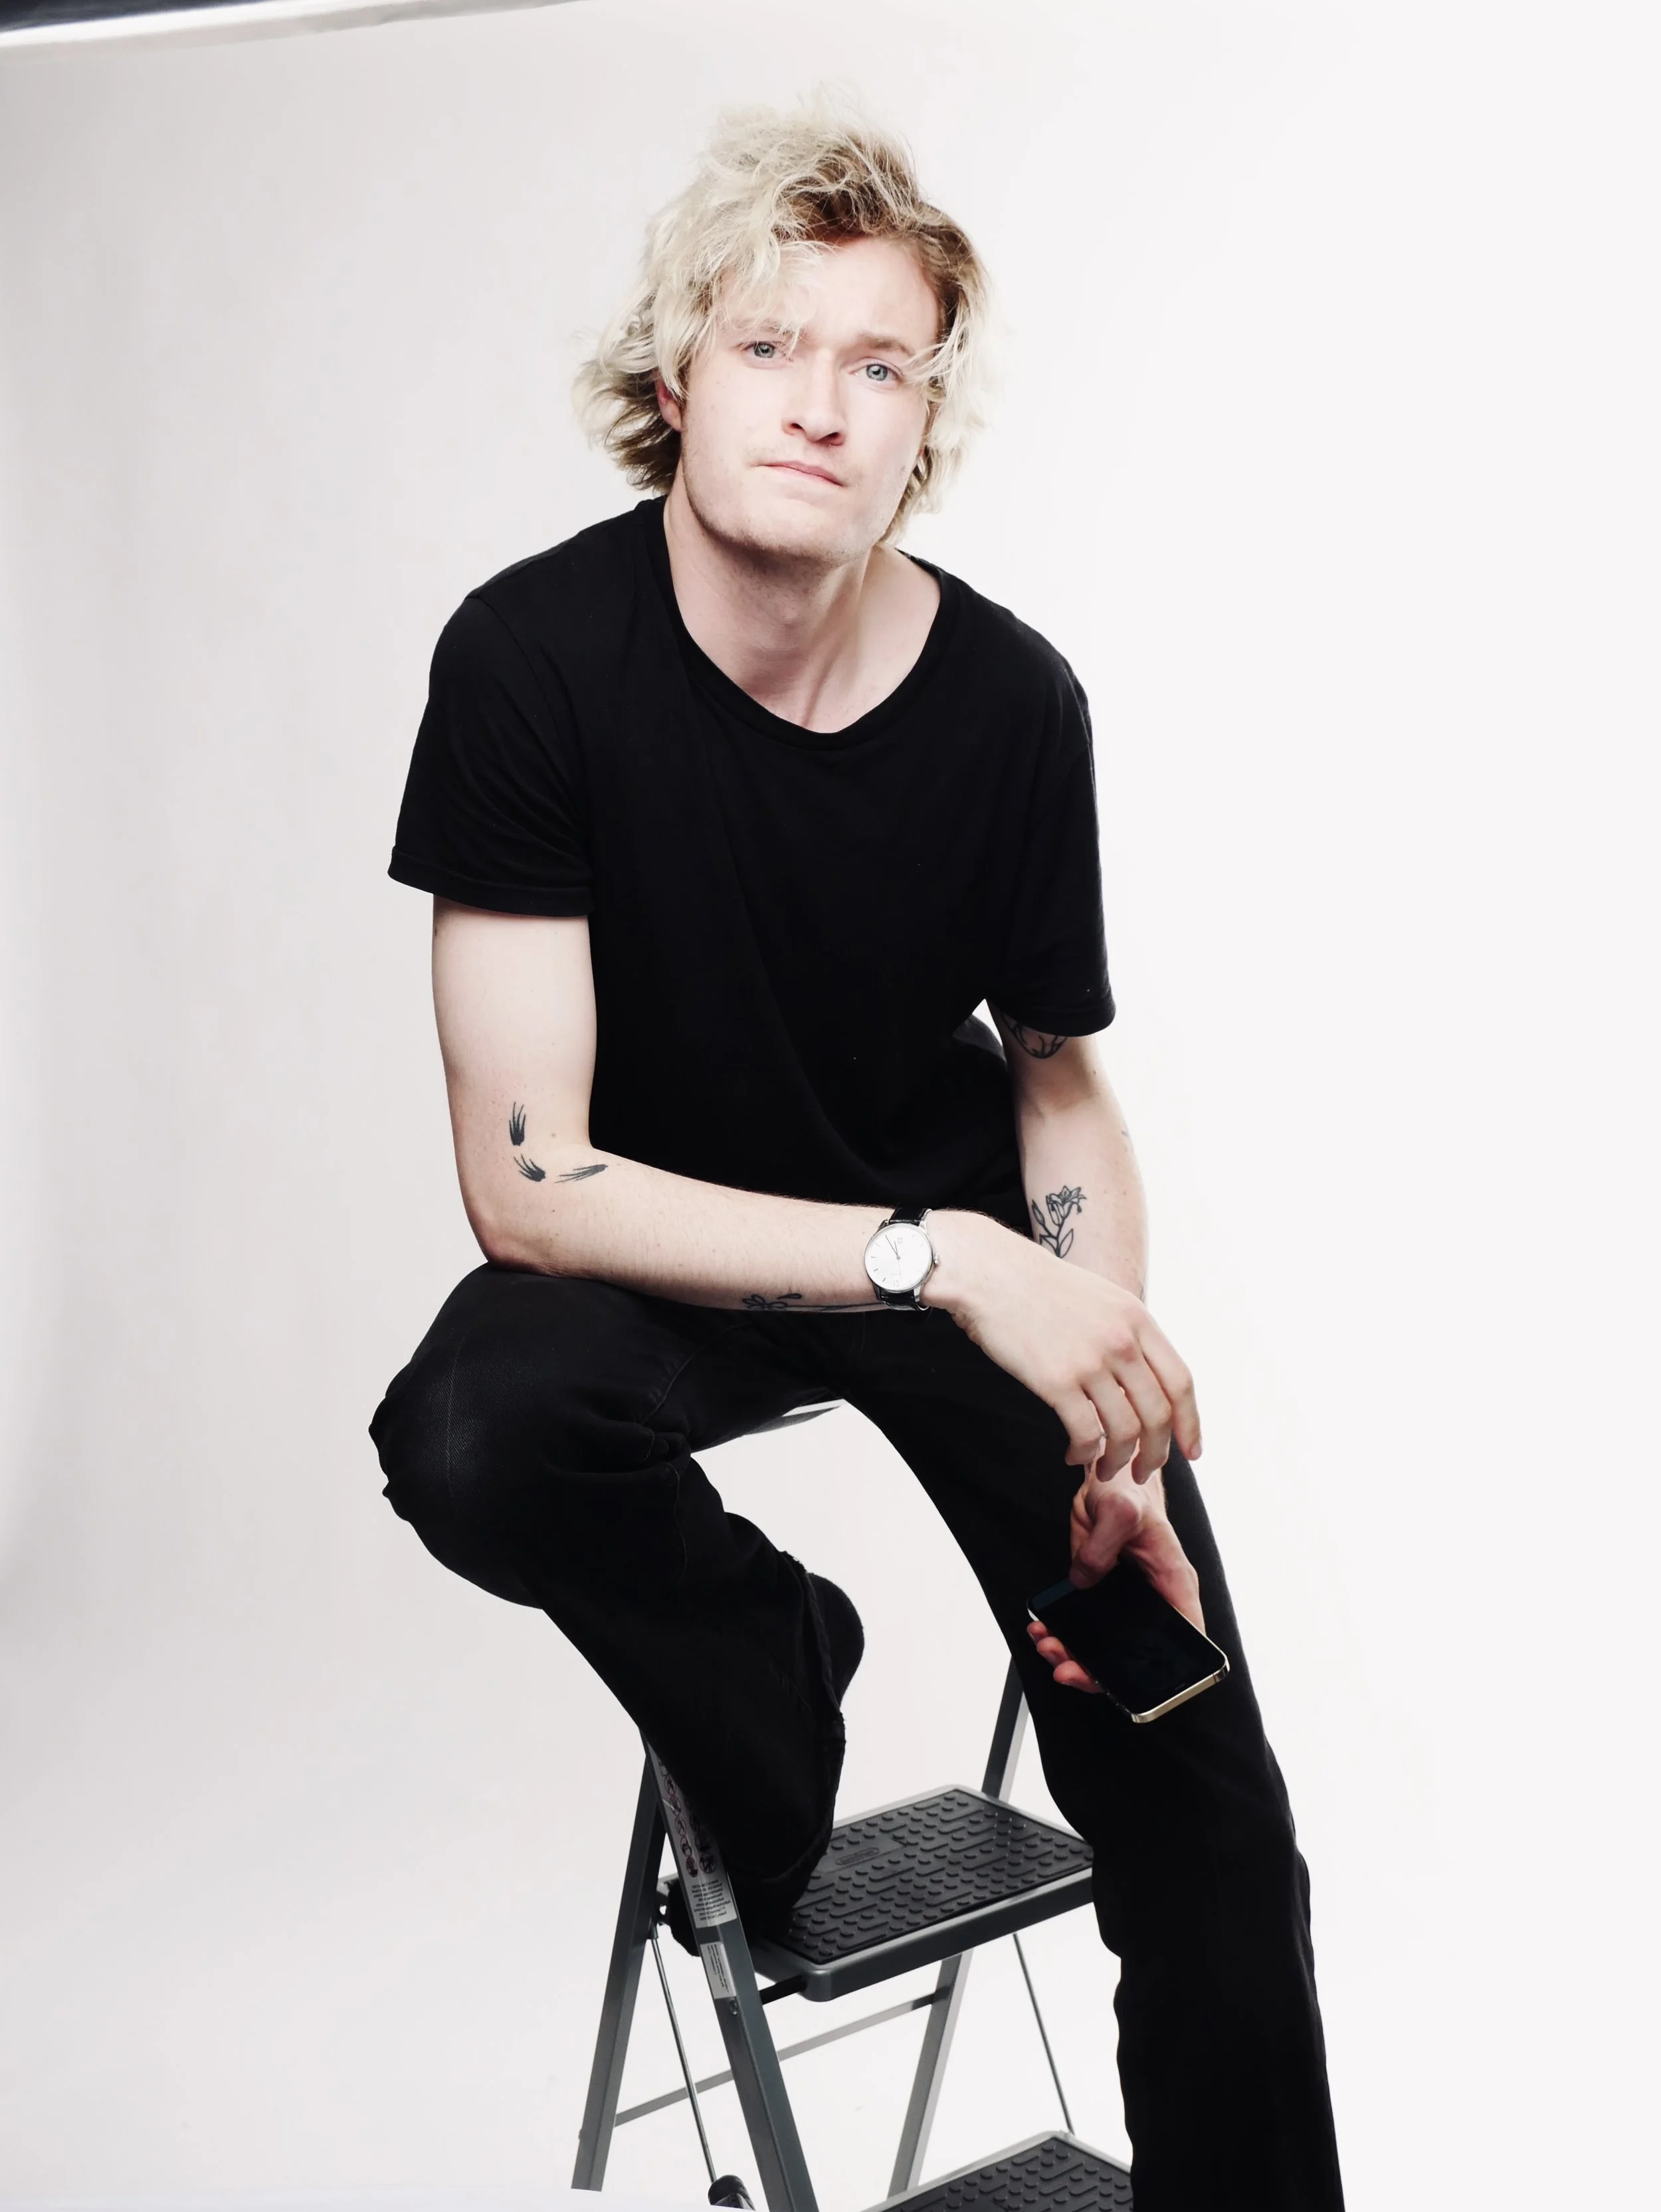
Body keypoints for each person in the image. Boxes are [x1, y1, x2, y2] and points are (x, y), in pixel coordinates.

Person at [369, 102, 1343, 2211]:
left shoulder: (1011, 702)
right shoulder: (529, 662)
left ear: (923, 422)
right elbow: (528, 1184)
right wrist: (947, 1261)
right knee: (466, 1432)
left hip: (943, 1226)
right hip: (657, 1245)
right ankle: (777, 1670)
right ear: (673, 378)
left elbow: (1057, 1080)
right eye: (767, 346)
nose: (820, 404)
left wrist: (1107, 1420)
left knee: (1202, 1798)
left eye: (877, 364)